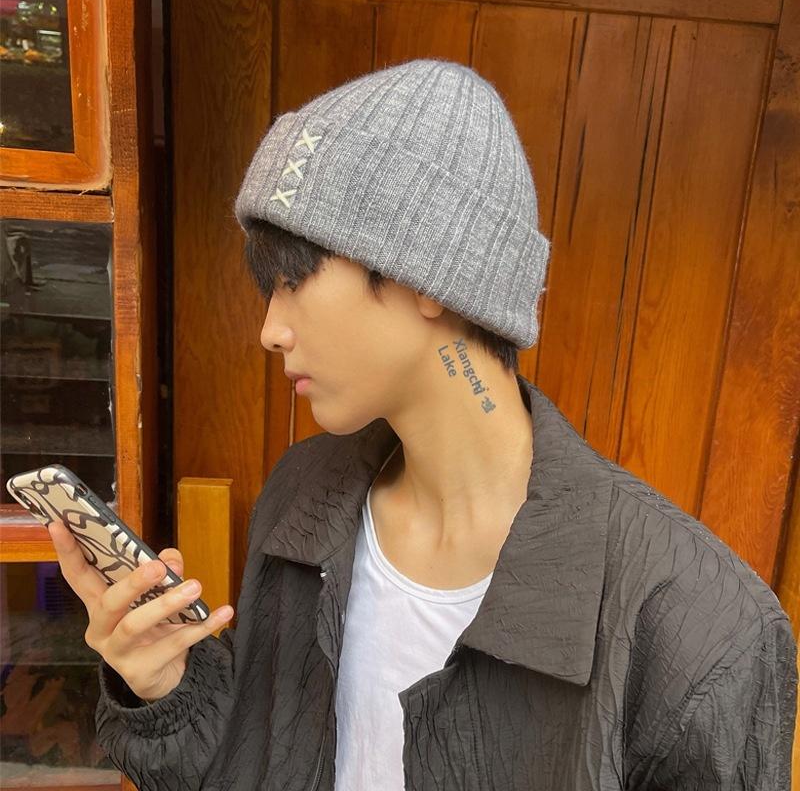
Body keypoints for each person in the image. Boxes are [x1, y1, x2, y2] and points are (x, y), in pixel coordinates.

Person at [49, 58, 795, 790]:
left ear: (431, 275)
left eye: (293, 278)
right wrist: (165, 688)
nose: (270, 330)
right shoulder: (303, 497)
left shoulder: (701, 631)